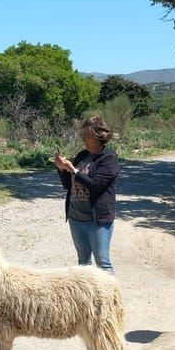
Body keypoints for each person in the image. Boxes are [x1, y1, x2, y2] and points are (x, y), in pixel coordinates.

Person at [54, 116, 119, 273]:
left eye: (87, 136)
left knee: (103, 263)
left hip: (97, 220)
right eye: (83, 135)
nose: (84, 139)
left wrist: (73, 170)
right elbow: (68, 185)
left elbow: (96, 186)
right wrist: (62, 169)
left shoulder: (109, 158)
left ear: (98, 137)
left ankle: (110, 297)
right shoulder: (82, 155)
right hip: (76, 218)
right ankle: (87, 297)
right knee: (83, 262)